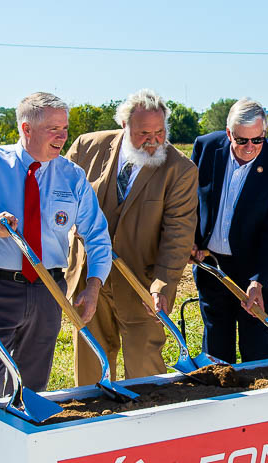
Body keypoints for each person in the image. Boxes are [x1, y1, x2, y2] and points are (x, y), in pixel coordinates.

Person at [0, 92, 112, 404]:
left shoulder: (72, 176)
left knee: (33, 387)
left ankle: (24, 433)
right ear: (26, 129)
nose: (62, 137)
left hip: (48, 291)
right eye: (53, 129)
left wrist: (94, 286)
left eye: (65, 128)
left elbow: (97, 236)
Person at [65, 88, 198, 384]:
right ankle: (95, 412)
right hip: (89, 280)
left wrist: (161, 285)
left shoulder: (181, 170)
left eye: (160, 132)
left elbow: (178, 235)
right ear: (125, 126)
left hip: (142, 285)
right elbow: (60, 198)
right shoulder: (86, 147)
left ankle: (149, 414)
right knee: (91, 367)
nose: (153, 141)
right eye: (143, 133)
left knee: (145, 370)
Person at [190, 98, 268, 363]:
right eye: (242, 140)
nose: (250, 147)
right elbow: (190, 201)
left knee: (255, 349)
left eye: (257, 140)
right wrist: (192, 241)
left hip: (256, 270)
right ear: (229, 134)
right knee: (216, 348)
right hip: (213, 266)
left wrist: (258, 281)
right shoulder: (206, 148)